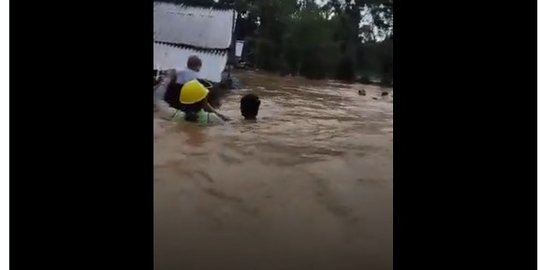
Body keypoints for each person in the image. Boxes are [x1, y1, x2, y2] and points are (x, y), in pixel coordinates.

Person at [154, 77, 224, 125]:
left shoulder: (172, 114)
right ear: (203, 101)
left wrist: (165, 81)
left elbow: (158, 102)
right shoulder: (212, 118)